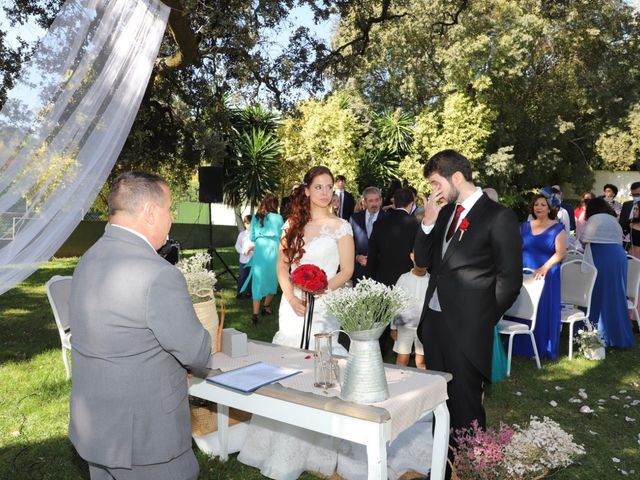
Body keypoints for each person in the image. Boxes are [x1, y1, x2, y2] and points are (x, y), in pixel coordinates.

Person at [68, 172, 211, 480]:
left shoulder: (87, 260)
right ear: (149, 212)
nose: (171, 218)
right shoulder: (158, 274)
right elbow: (197, 352)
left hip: (96, 428)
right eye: (169, 209)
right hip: (147, 440)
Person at [414, 149, 522, 438]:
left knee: (465, 405)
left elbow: (509, 280)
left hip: (468, 328)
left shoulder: (498, 217)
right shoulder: (445, 212)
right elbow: (422, 262)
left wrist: (481, 318)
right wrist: (428, 221)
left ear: (457, 177)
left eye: (437, 183)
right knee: (439, 401)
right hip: (434, 323)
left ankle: (468, 467)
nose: (433, 190)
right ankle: (443, 468)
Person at [273, 166, 354, 354]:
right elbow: (282, 265)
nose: (325, 193)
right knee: (288, 355)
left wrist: (321, 290)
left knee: (323, 357)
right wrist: (292, 298)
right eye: (318, 187)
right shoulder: (291, 225)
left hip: (325, 304)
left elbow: (347, 270)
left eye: (329, 187)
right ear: (307, 190)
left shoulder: (341, 227)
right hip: (293, 303)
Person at [513, 193, 567, 361]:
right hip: (524, 273)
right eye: (536, 204)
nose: (539, 207)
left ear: (549, 208)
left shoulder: (558, 228)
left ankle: (542, 346)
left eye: (543, 204)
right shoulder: (524, 226)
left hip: (547, 273)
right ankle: (521, 346)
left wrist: (543, 268)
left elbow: (560, 253)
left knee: (543, 308)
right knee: (523, 306)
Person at [581, 197, 636, 349]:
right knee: (616, 294)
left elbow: (583, 239)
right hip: (618, 256)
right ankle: (617, 334)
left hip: (602, 257)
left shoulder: (594, 219)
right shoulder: (613, 219)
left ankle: (597, 333)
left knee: (597, 293)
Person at [240, 193, 284, 324]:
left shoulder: (256, 218)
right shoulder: (279, 218)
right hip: (274, 250)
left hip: (260, 250)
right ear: (275, 204)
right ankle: (266, 307)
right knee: (272, 279)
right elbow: (283, 235)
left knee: (257, 280)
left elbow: (252, 237)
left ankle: (255, 314)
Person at [366, 187, 420, 287]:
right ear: (411, 204)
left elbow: (372, 255)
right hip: (407, 280)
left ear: (394, 203)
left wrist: (369, 281)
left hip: (383, 279)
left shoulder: (379, 223)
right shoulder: (416, 224)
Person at [391, 252, 429, 369]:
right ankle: (400, 383)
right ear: (412, 257)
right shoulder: (404, 278)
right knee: (402, 359)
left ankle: (422, 385)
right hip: (404, 326)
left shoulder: (431, 280)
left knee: (421, 361)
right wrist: (393, 327)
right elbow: (394, 302)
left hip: (423, 328)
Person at [348, 186, 387, 284]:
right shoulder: (354, 219)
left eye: (377, 200)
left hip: (381, 272)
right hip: (359, 273)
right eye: (371, 201)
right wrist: (356, 258)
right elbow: (348, 245)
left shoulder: (389, 219)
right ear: (364, 202)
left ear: (381, 201)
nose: (375, 204)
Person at [234, 214, 254, 299]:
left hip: (253, 260)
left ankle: (250, 293)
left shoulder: (256, 235)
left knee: (252, 277)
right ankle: (240, 293)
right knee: (242, 277)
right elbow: (237, 246)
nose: (249, 225)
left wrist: (252, 249)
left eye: (251, 223)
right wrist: (243, 251)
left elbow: (259, 246)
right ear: (245, 224)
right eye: (247, 223)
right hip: (243, 260)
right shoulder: (242, 234)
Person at [620, 181, 640, 248]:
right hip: (625, 243)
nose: (635, 197)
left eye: (638, 194)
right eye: (633, 195)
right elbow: (621, 223)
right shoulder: (626, 205)